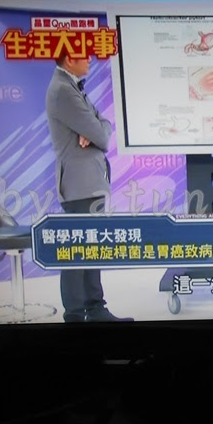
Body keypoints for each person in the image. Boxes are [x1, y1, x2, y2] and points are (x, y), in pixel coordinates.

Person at [45, 52, 133, 323]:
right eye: (83, 54)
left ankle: (95, 309)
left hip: (88, 185)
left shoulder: (71, 86)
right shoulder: (63, 90)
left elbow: (104, 125)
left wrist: (96, 129)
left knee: (90, 248)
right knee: (77, 252)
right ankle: (75, 315)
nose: (90, 59)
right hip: (79, 186)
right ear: (68, 58)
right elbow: (103, 138)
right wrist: (95, 131)